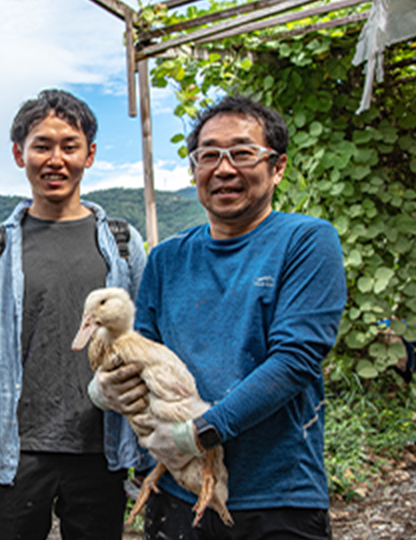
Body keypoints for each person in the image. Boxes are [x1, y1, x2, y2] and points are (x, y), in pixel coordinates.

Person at [91, 95, 347, 539]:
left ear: (277, 166)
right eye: (208, 155)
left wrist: (200, 432)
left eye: (243, 153)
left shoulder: (305, 241)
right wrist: (106, 387)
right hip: (177, 492)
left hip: (276, 497)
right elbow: (143, 353)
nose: (224, 169)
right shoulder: (168, 257)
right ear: (195, 169)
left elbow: (296, 361)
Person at [0, 88, 149, 540]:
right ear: (20, 154)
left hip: (100, 448)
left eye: (69, 146)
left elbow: (142, 344)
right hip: (15, 451)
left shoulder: (122, 243)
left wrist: (147, 450)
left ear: (90, 154)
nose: (55, 159)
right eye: (42, 145)